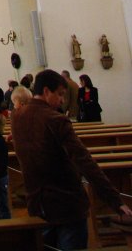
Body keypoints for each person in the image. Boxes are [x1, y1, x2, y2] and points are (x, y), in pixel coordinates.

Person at [12, 69, 132, 249]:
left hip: (37, 203)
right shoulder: (56, 119)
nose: (62, 100)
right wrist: (116, 201)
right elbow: (84, 162)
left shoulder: (17, 117)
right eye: (59, 94)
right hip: (66, 204)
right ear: (46, 92)